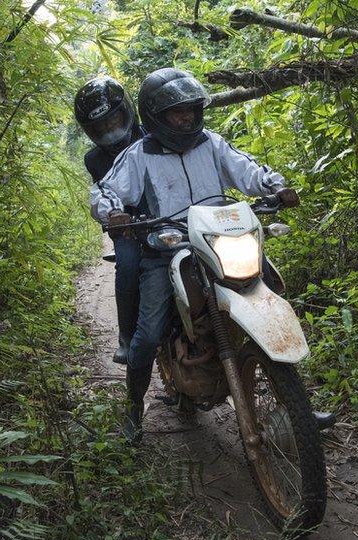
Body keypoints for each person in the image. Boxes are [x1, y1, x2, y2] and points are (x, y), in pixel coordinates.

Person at [91, 68, 300, 441]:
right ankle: (134, 408)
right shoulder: (140, 154)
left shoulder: (211, 143)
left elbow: (247, 169)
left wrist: (276, 186)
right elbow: (105, 192)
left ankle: (297, 404)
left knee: (271, 291)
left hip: (219, 242)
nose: (186, 117)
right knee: (149, 331)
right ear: (156, 116)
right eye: (177, 112)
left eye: (190, 109)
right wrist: (114, 213)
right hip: (166, 249)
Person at [74, 76, 145, 365]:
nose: (111, 130)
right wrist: (116, 216)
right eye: (101, 128)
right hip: (129, 225)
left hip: (173, 211)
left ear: (126, 111)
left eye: (114, 120)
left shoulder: (153, 133)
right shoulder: (95, 159)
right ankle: (126, 337)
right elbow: (104, 193)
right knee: (127, 265)